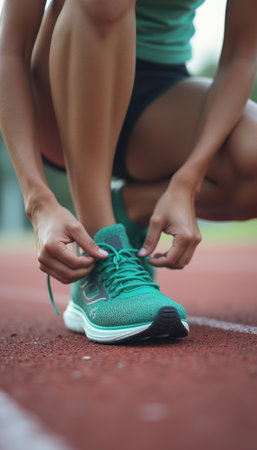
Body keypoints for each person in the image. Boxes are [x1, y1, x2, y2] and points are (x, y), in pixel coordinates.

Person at [0, 0, 256, 343]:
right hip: (60, 82)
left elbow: (242, 54)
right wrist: (38, 202)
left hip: (158, 95)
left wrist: (187, 183)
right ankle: (101, 246)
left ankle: (130, 208)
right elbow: (10, 48)